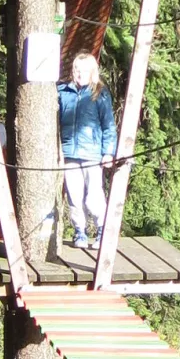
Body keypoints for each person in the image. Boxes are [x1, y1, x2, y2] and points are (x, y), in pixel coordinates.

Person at [57, 52, 116, 248]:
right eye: (77, 70)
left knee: (93, 197)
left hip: (92, 154)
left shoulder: (99, 93)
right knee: (74, 196)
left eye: (85, 70)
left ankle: (102, 229)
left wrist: (108, 152)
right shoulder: (62, 92)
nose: (80, 74)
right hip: (69, 153)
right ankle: (79, 231)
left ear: (92, 72)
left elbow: (108, 125)